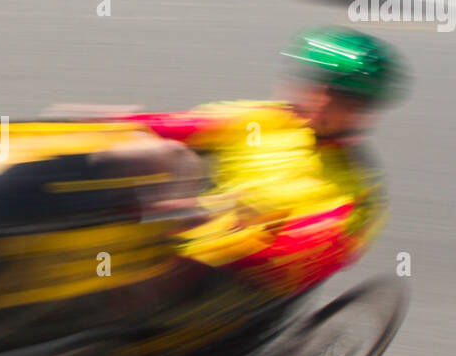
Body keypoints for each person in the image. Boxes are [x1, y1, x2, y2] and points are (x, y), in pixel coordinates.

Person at [116, 26, 408, 299]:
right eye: (317, 86)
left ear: (361, 111)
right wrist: (93, 127)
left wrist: (213, 223)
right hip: (173, 229)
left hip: (235, 279)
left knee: (137, 295)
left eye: (339, 98)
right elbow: (172, 126)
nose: (319, 100)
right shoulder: (264, 118)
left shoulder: (352, 194)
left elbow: (297, 253)